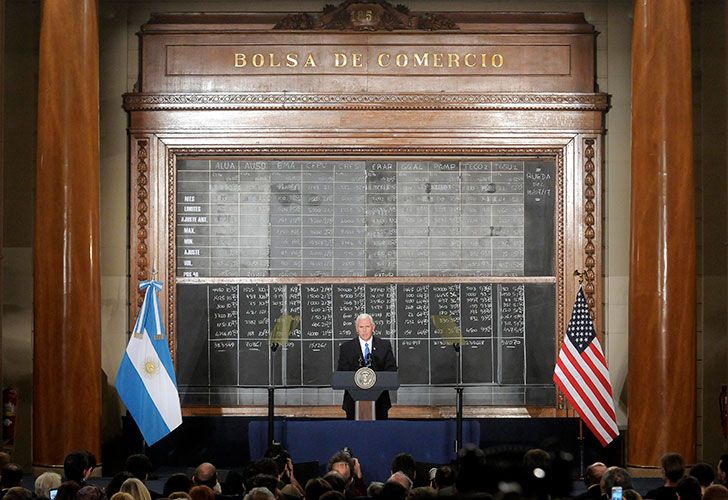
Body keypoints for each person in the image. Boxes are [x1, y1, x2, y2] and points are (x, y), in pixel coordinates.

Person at [337, 313, 397, 420]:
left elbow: (391, 370)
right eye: (361, 327)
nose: (364, 330)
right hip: (353, 403)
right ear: (357, 329)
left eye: (367, 327)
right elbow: (342, 372)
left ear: (373, 328)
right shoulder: (346, 348)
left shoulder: (384, 346)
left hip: (380, 403)